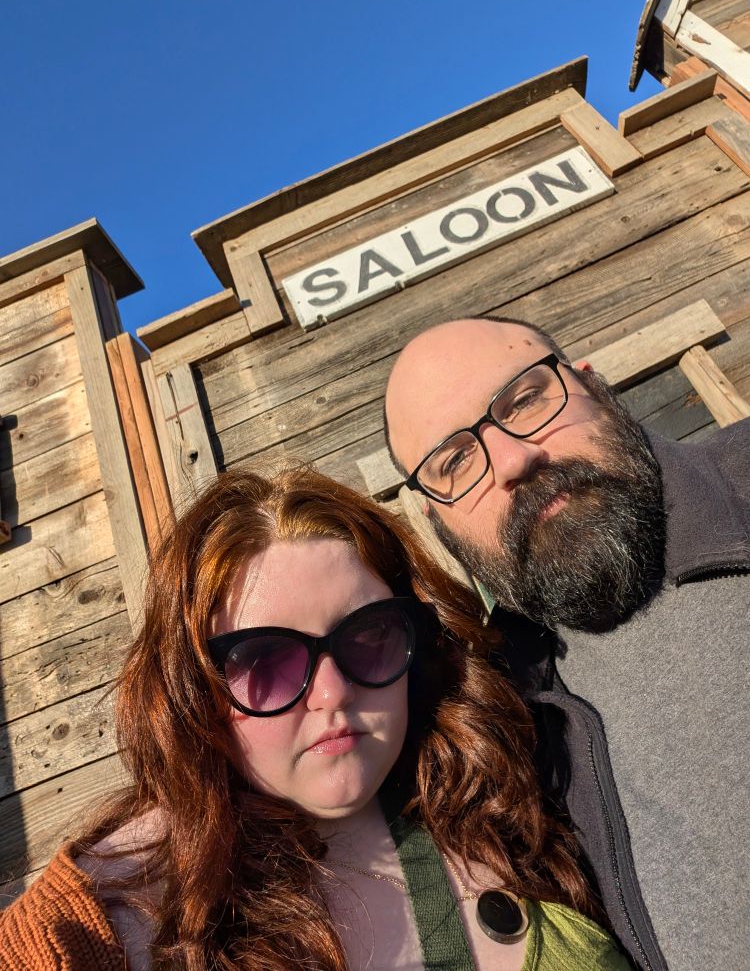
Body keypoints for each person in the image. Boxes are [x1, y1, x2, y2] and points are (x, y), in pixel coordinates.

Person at [0, 467, 631, 970]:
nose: (332, 693)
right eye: (265, 660)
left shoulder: (511, 784)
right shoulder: (106, 920)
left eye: (369, 636)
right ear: (193, 692)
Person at [384, 316, 750, 971]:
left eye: (525, 399)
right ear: (434, 519)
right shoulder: (497, 716)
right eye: (456, 460)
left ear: (595, 388)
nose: (516, 460)